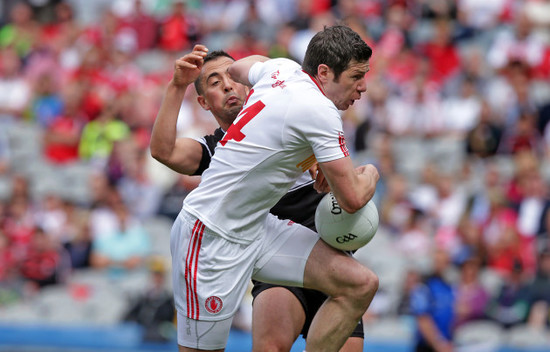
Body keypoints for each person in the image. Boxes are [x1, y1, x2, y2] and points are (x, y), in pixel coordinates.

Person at [156, 25, 379, 351]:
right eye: (355, 77)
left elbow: (237, 68)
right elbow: (354, 198)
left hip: (261, 227)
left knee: (360, 284)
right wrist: (371, 171)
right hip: (210, 235)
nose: (363, 87)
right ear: (324, 72)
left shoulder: (283, 71)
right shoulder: (316, 109)